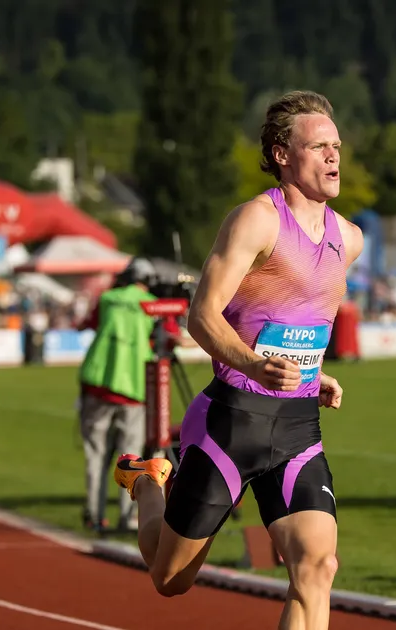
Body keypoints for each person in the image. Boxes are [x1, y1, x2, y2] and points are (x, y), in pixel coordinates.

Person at [113, 90, 363, 630]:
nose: (332, 157)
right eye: (318, 146)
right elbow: (201, 316)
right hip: (230, 422)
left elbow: (299, 328)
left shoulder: (350, 239)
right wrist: (252, 366)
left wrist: (316, 375)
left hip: (298, 428)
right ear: (281, 154)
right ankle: (149, 480)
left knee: (317, 567)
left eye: (336, 146)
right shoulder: (257, 220)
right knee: (169, 578)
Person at [76, 257, 195, 535]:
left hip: (98, 382)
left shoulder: (108, 299)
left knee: (95, 455)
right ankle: (128, 517)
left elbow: (87, 324)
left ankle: (94, 516)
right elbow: (174, 337)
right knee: (129, 456)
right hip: (134, 387)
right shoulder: (153, 304)